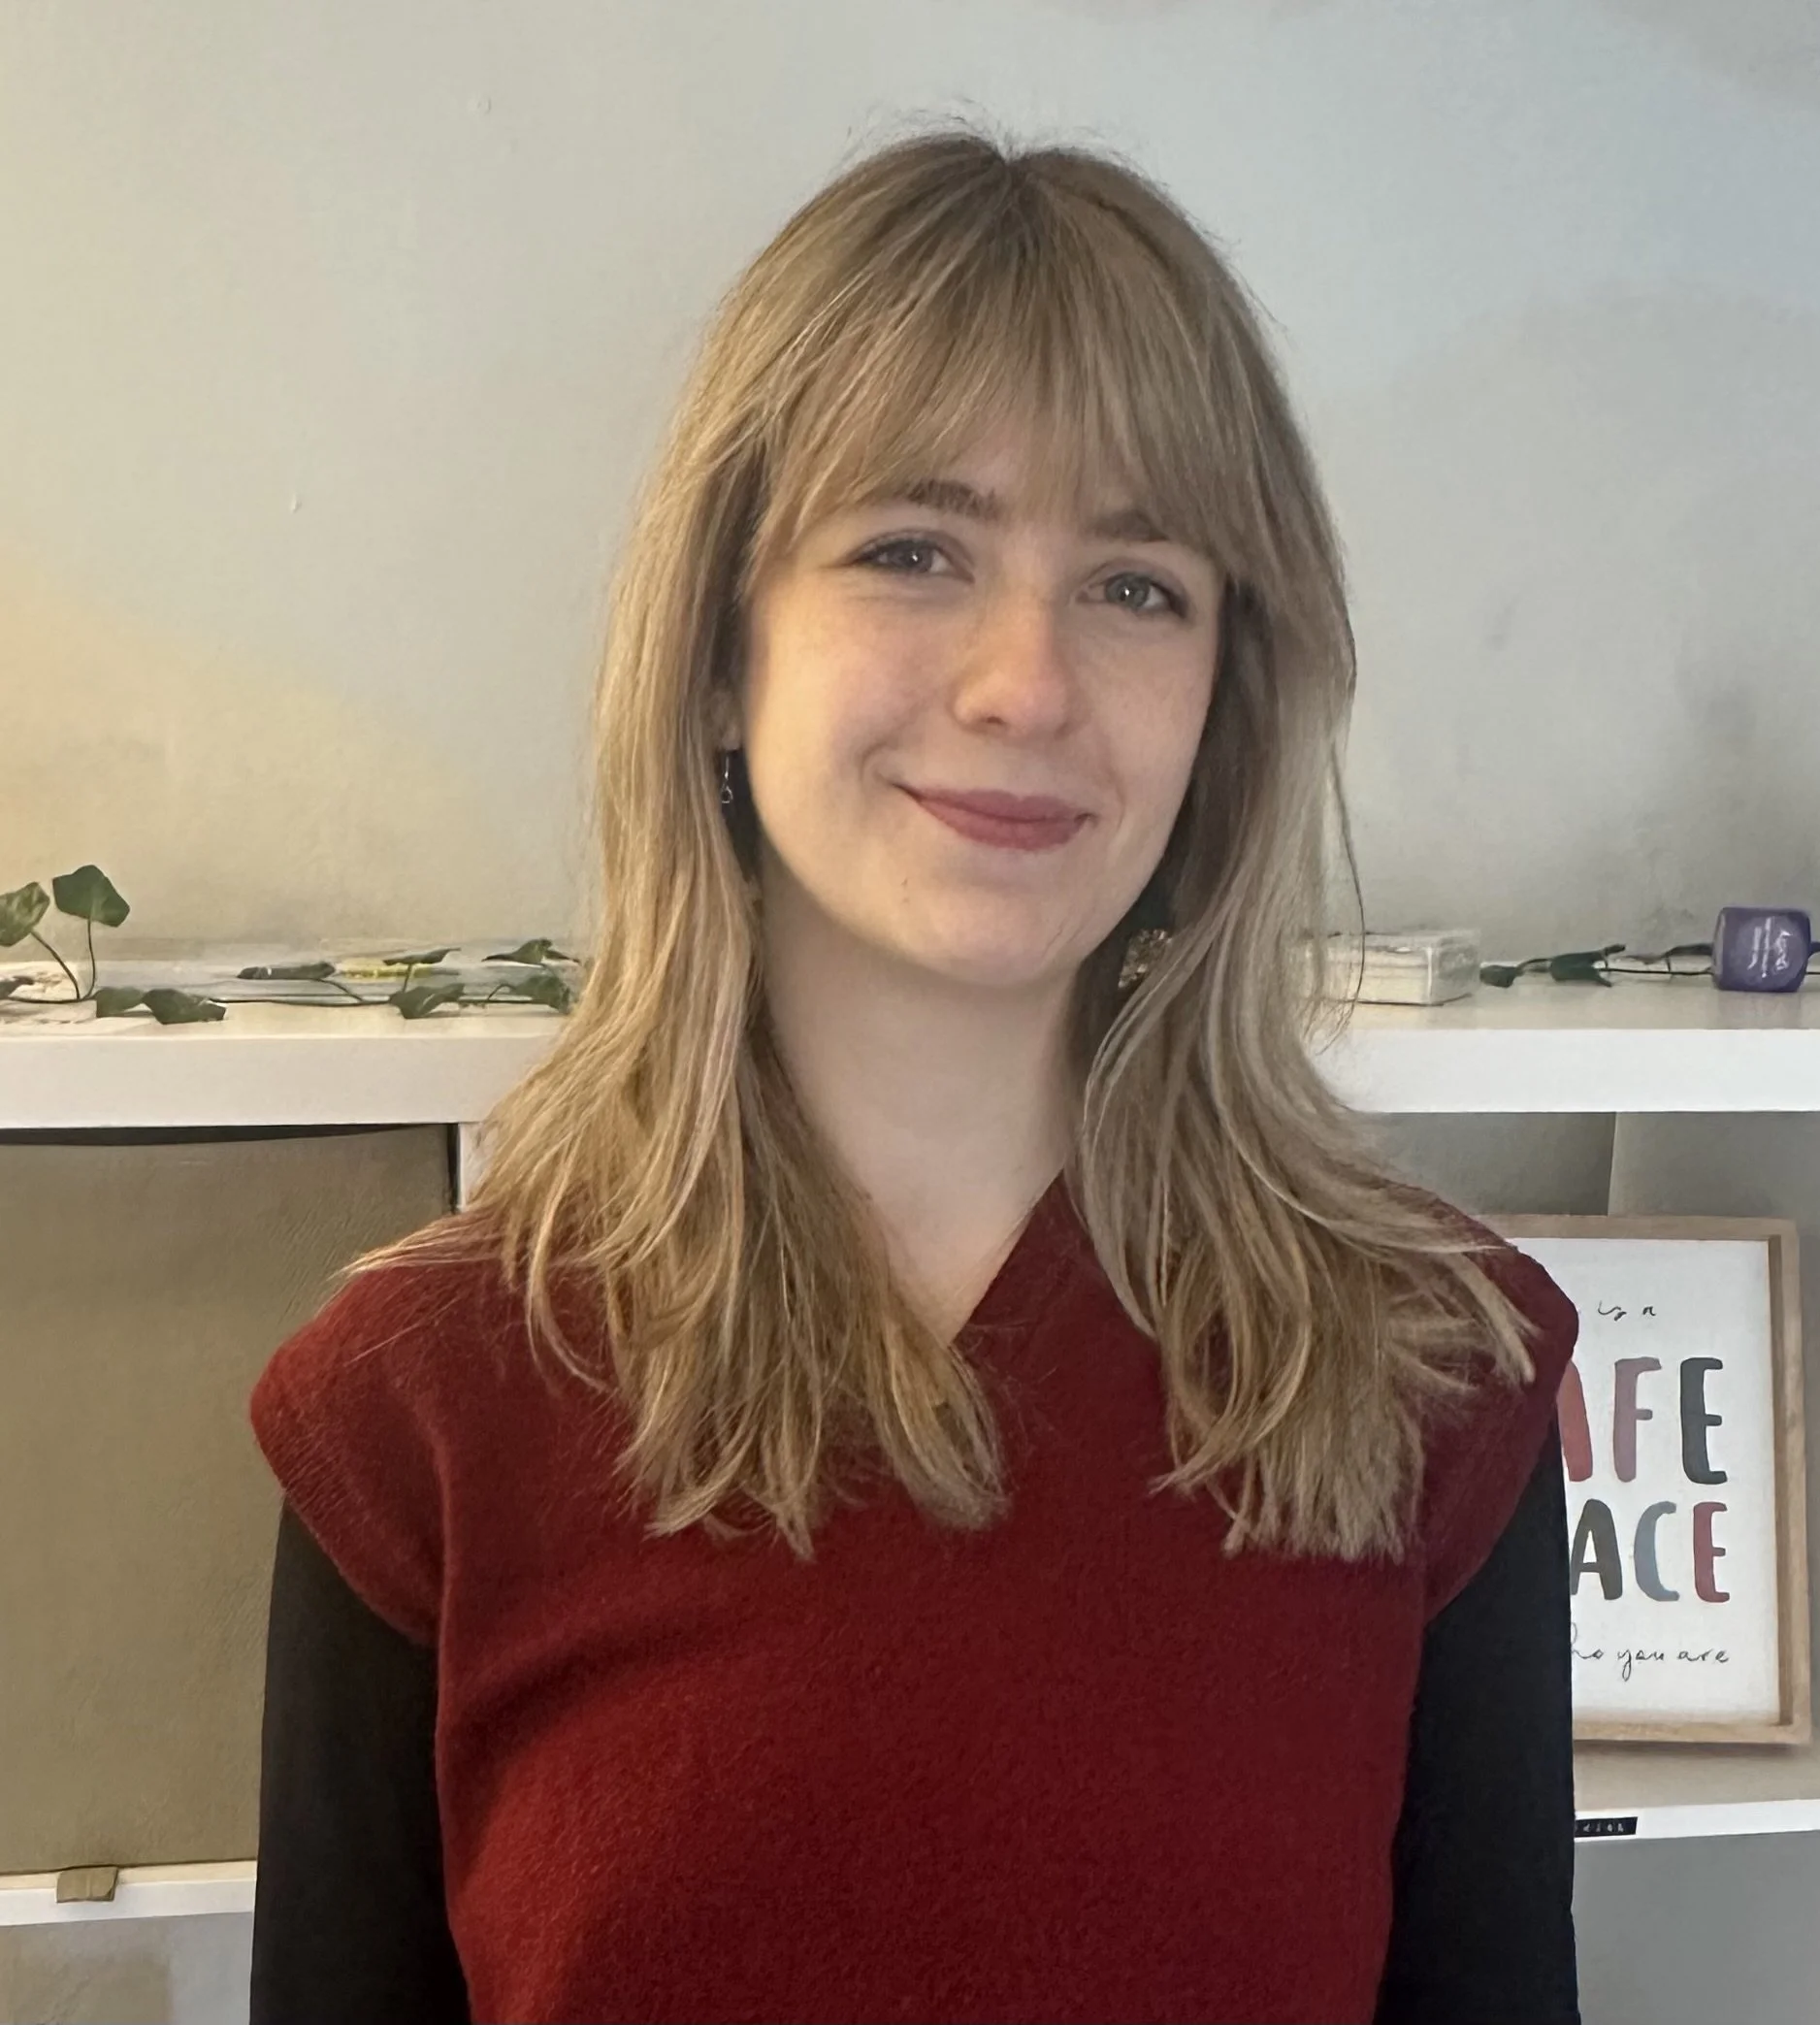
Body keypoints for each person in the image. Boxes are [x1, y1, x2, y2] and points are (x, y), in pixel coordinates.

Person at [246, 125, 1582, 2025]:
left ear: (1226, 699)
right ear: (721, 649)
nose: (1022, 679)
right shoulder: (419, 1414)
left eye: (1134, 584)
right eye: (912, 548)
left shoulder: (1435, 1381)